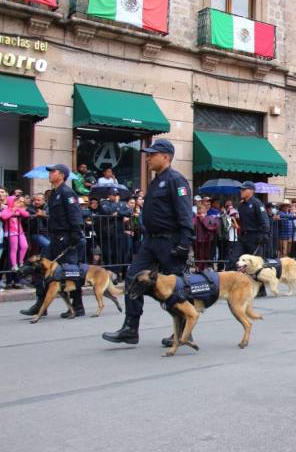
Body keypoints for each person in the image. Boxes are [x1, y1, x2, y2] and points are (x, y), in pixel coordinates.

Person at [102, 139, 193, 345]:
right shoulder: (154, 181)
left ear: (166, 157)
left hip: (170, 242)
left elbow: (186, 214)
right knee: (134, 279)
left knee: (176, 287)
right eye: (148, 154)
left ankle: (184, 330)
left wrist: (184, 243)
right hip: (151, 242)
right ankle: (130, 329)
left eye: (152, 154)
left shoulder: (176, 180)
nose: (148, 158)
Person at [21, 165, 85, 318]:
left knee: (71, 272)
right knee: (39, 267)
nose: (50, 174)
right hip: (55, 239)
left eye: (53, 172)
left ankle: (77, 306)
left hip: (66, 239)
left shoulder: (67, 192)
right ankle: (40, 304)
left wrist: (74, 238)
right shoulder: (55, 193)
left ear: (61, 175)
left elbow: (75, 216)